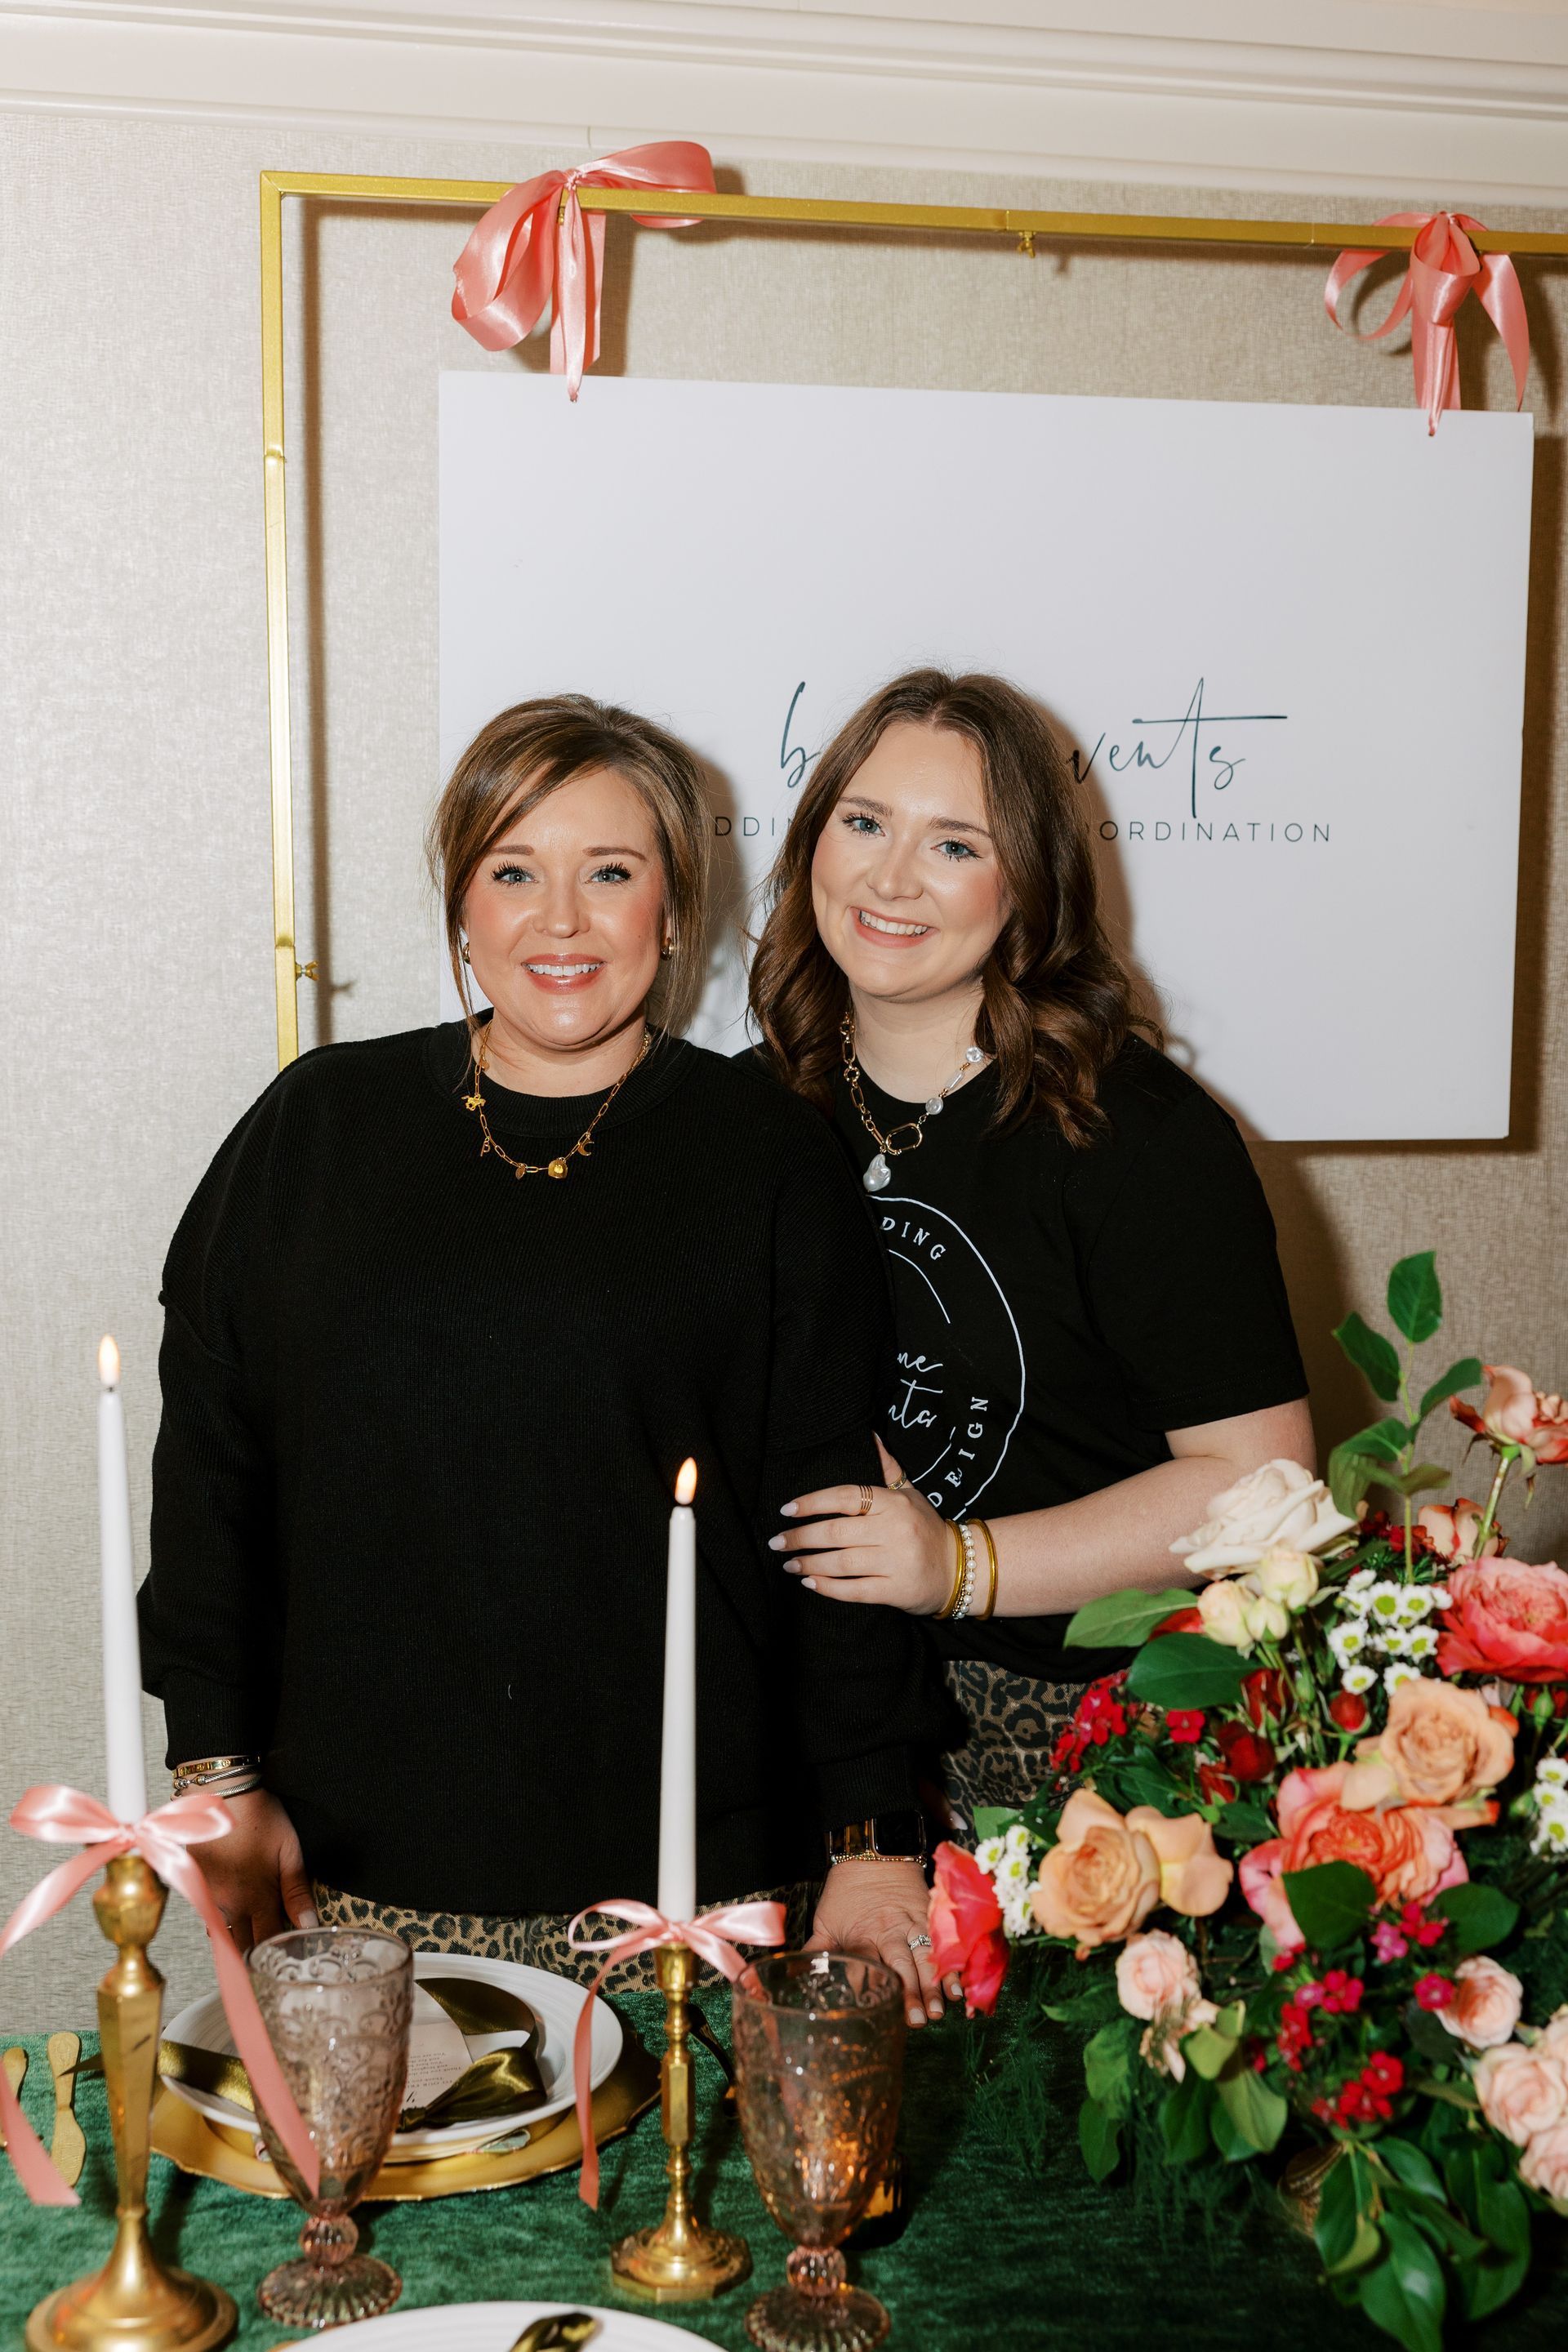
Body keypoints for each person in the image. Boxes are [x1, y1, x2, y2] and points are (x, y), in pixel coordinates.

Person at [139, 695, 952, 2028]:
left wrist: (870, 1838)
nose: (559, 921)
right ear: (462, 904)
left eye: (610, 874)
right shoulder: (317, 1130)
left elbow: (829, 1515)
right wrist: (218, 1771)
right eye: (514, 872)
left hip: (682, 1897)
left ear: (674, 912)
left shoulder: (764, 1155)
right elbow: (212, 1468)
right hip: (351, 1893)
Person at [746, 669, 1312, 1829]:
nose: (890, 878)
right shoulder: (754, 1110)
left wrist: (958, 1566)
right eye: (863, 823)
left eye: (956, 845)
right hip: (819, 1716)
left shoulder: (1136, 1132)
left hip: (1094, 1736)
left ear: (1031, 883)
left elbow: (1262, 1484)